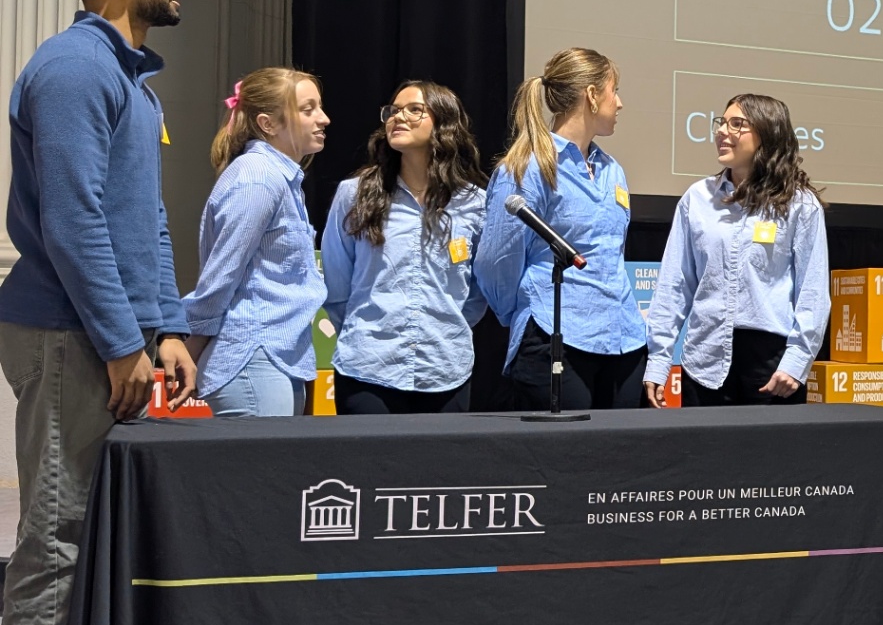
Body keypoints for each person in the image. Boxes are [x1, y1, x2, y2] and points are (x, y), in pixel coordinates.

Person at [0, 0, 197, 625]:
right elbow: (74, 222)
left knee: (84, 520)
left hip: (107, 331)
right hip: (60, 330)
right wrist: (124, 341)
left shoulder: (130, 81)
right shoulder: (75, 69)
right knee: (57, 522)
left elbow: (142, 221)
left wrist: (165, 328)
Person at [477, 49, 648, 409]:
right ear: (591, 95)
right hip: (556, 335)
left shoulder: (612, 170)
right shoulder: (528, 166)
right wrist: (525, 310)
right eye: (614, 91)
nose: (620, 103)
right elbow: (497, 260)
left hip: (623, 338)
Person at [643, 93, 829, 407]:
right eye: (722, 123)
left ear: (767, 135)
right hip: (703, 364)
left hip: (772, 370)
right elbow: (674, 285)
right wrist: (659, 361)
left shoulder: (801, 204)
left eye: (737, 124)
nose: (721, 132)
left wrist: (796, 361)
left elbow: (812, 291)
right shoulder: (698, 198)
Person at [321, 82, 488, 414]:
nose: (398, 117)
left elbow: (477, 292)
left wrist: (444, 326)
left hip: (445, 368)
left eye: (414, 110)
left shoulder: (475, 203)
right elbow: (337, 285)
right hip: (367, 366)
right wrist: (365, 331)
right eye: (393, 111)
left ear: (444, 124)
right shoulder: (354, 194)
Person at [183, 69, 331, 418]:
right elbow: (222, 274)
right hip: (253, 359)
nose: (324, 119)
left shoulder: (281, 179)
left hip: (276, 359)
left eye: (319, 107)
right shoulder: (258, 178)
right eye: (308, 109)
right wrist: (191, 347)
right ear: (268, 123)